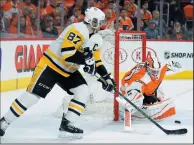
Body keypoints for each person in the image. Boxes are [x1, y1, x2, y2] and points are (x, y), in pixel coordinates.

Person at [0, 7, 115, 138]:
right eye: (99, 21)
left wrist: (106, 77)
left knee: (82, 90)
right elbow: (67, 54)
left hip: (69, 71)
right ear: (92, 21)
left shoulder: (96, 38)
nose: (101, 24)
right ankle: (4, 122)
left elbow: (96, 60)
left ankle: (67, 124)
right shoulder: (77, 29)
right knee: (32, 97)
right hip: (51, 66)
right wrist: (86, 61)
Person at [117, 56, 182, 124]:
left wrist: (175, 66)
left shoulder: (158, 67)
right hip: (128, 92)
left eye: (157, 71)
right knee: (136, 96)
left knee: (164, 96)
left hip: (145, 90)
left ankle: (144, 103)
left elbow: (172, 66)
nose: (155, 73)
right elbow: (132, 87)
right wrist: (130, 103)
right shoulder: (141, 77)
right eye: (153, 71)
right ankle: (129, 108)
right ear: (147, 68)